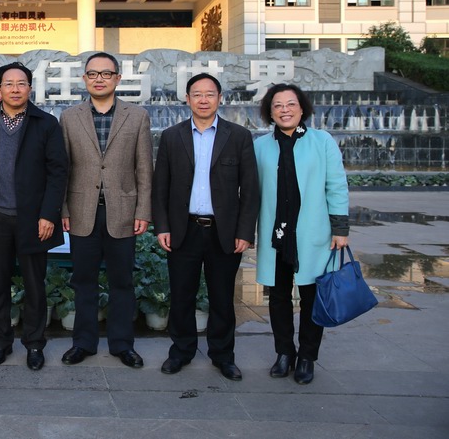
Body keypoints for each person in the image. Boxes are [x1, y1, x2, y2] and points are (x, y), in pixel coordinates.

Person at [152, 73, 259, 381]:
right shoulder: (172, 136)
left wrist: (245, 232)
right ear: (187, 99)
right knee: (181, 295)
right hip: (183, 229)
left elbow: (250, 189)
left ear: (220, 98)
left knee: (222, 297)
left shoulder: (238, 136)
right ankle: (181, 351)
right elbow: (160, 186)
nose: (203, 100)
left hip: (223, 231)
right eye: (196, 94)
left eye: (209, 94)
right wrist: (162, 227)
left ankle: (223, 356)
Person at [0, 62, 68, 370]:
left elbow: (58, 172)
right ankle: (0, 343)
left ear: (30, 88)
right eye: (8, 84)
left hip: (33, 220)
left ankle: (34, 344)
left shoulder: (46, 123)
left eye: (21, 83)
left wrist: (48, 214)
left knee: (35, 285)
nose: (15, 89)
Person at [59, 52, 153, 368]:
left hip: (123, 212)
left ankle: (122, 345)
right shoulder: (69, 117)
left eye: (106, 73)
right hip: (82, 211)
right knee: (83, 281)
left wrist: (143, 211)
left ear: (117, 78)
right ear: (84, 79)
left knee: (122, 282)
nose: (99, 79)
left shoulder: (136, 116)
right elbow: (63, 168)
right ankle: (83, 343)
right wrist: (63, 209)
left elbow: (144, 168)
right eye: (93, 74)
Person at [255, 83, 349, 385]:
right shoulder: (260, 146)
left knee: (311, 296)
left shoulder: (322, 141)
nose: (285, 110)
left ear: (301, 108)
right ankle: (284, 352)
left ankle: (307, 356)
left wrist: (340, 228)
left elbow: (336, 184)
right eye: (278, 105)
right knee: (278, 296)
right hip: (276, 234)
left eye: (290, 104)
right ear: (270, 112)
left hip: (312, 233)